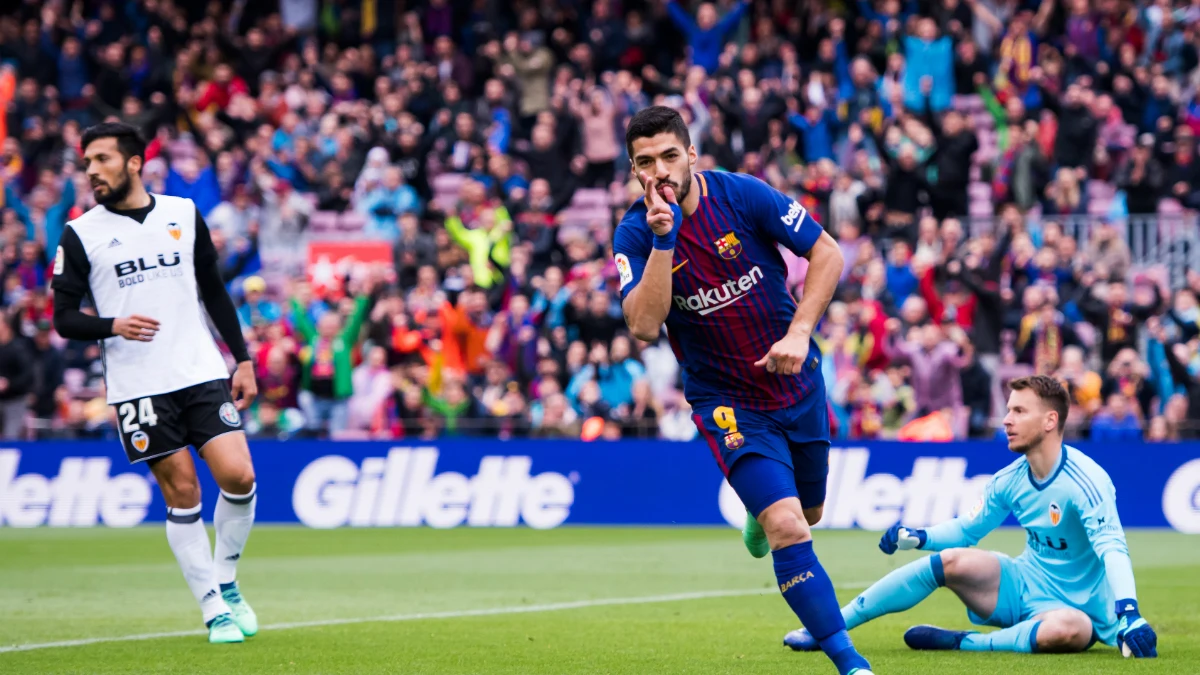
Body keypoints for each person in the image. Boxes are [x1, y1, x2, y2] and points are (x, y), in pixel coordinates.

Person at [613, 106, 872, 675]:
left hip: (795, 382)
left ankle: (760, 513)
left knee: (811, 510)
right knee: (789, 526)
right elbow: (642, 324)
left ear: (692, 157)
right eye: (645, 162)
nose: (660, 170)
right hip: (727, 401)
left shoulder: (745, 196)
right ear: (634, 170)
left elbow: (826, 252)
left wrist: (801, 332)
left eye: (669, 156)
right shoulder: (634, 232)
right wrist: (663, 242)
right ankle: (852, 664)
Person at [51, 123, 259, 645]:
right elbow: (63, 318)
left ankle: (227, 580)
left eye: (101, 159)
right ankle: (214, 610)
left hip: (201, 370)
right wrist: (112, 325)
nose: (92, 170)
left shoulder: (182, 215)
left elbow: (213, 289)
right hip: (138, 385)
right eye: (87, 162)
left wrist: (244, 359)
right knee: (183, 492)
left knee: (239, 476)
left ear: (135, 161)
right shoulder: (81, 234)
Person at [783, 376, 1158, 659]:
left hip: (1079, 612)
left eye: (1018, 411)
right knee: (949, 561)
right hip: (1022, 586)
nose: (1006, 420)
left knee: (1069, 629)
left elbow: (1112, 548)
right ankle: (829, 628)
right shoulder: (1009, 479)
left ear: (1050, 421)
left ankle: (962, 641)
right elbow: (967, 529)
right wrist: (919, 536)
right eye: (1008, 410)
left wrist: (1129, 612)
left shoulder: (1086, 480)